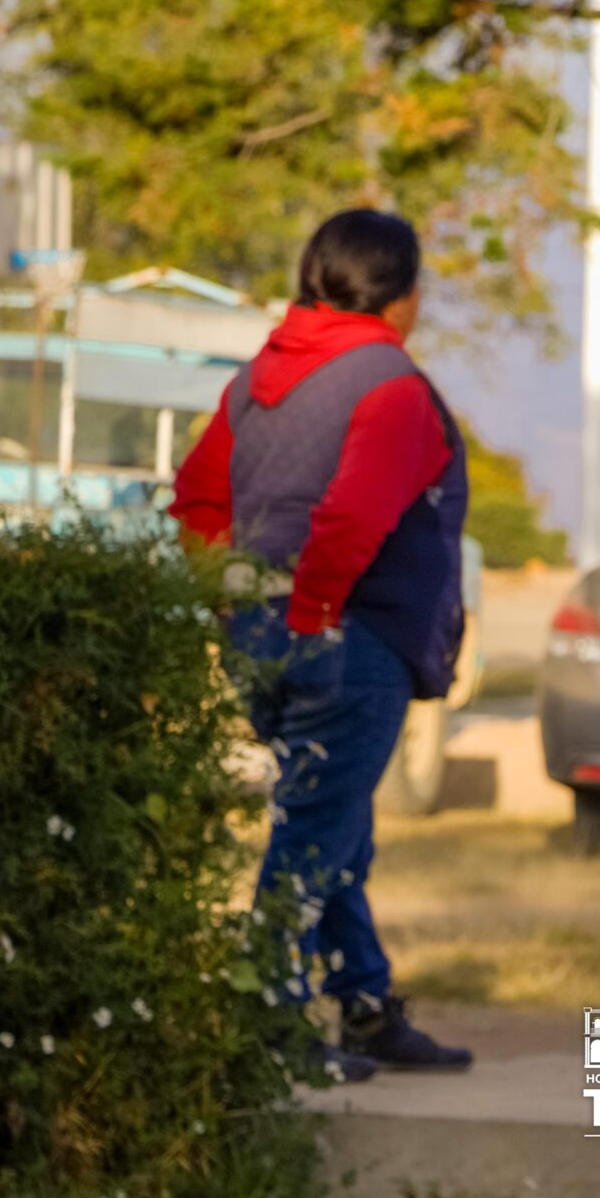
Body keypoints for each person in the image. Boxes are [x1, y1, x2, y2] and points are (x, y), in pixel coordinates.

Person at [171, 209, 476, 1082]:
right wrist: (312, 614)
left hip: (263, 636)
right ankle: (265, 1025)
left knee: (334, 823)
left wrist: (232, 610)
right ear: (402, 294)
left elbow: (197, 499)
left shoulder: (258, 378)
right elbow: (351, 516)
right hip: (347, 642)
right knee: (315, 835)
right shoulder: (393, 384)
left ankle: (366, 1005)